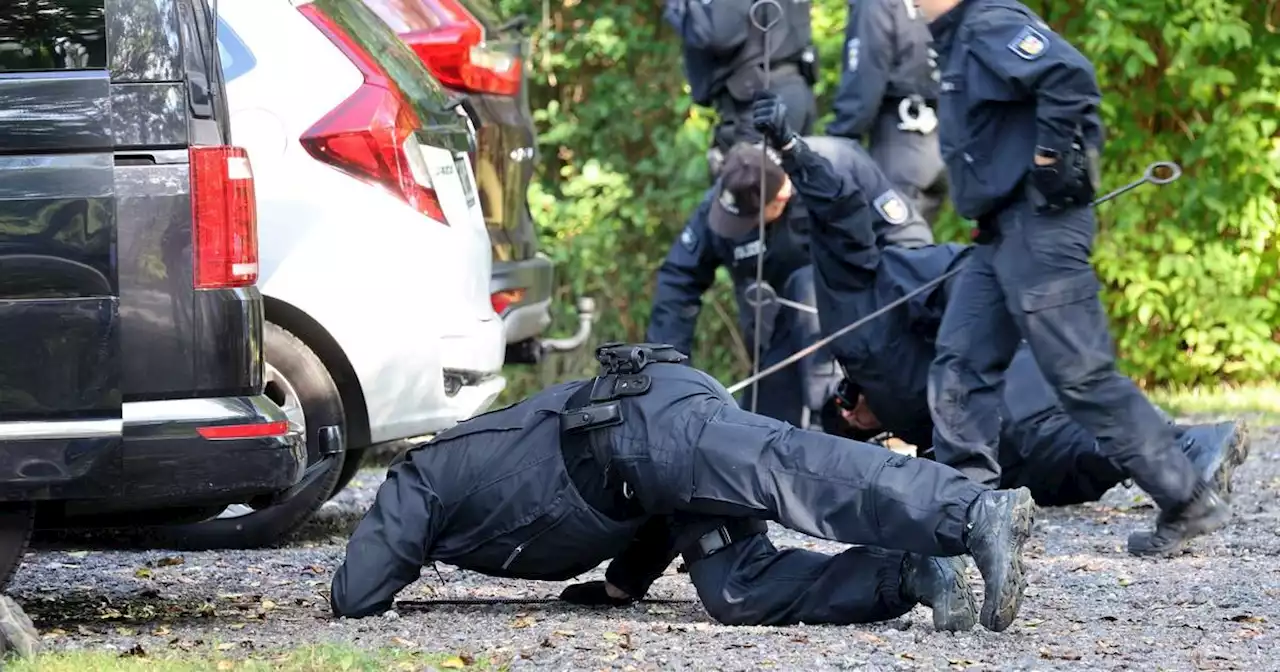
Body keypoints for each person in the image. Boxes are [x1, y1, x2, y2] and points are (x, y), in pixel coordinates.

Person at [749, 89, 1248, 530]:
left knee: (1073, 445)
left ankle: (1189, 449)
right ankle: (1193, 457)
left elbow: (846, 210)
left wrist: (791, 149)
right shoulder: (849, 319)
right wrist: (864, 407)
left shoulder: (893, 273)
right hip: (982, 445)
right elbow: (892, 380)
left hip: (1011, 407)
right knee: (1065, 480)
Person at [330, 342, 1037, 633]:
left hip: (640, 424)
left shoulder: (421, 477)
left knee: (789, 470)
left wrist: (369, 575)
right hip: (643, 476)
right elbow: (593, 507)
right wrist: (623, 585)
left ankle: (975, 514)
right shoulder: (466, 495)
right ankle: (914, 573)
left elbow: (356, 594)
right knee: (737, 591)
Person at [915, 0, 1230, 557]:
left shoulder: (988, 22)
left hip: (1039, 227)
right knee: (960, 364)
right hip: (999, 234)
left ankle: (1185, 494)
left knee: (1079, 373)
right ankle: (968, 515)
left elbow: (1068, 73)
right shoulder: (957, 36)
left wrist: (1051, 159)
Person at [646, 139, 931, 424]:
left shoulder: (837, 166)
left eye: (750, 220)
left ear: (781, 197)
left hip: (856, 332)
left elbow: (910, 243)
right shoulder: (734, 192)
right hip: (775, 342)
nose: (741, 226)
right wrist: (671, 377)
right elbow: (679, 280)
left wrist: (896, 336)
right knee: (756, 434)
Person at [820, 347, 1250, 508]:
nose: (854, 402)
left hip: (1013, 403)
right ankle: (1185, 464)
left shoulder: (892, 370)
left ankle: (1188, 445)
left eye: (850, 394)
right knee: (1077, 464)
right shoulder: (909, 418)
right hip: (1025, 383)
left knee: (1063, 448)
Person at [663, 0, 818, 178]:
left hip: (755, 105)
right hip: (792, 89)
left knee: (745, 197)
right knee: (794, 196)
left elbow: (721, 31)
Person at [829, 0, 949, 225]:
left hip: (899, 144)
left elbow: (863, 84)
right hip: (939, 139)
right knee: (921, 246)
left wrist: (836, 147)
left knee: (896, 245)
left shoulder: (875, 6)